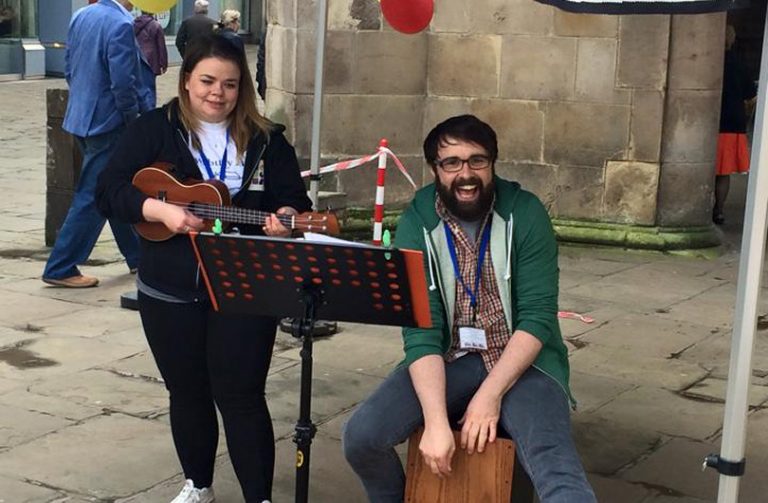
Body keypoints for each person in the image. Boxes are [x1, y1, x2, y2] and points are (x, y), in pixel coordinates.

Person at [96, 34, 312, 503]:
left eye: (230, 84)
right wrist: (160, 211)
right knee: (186, 391)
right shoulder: (153, 129)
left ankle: (259, 496)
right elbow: (108, 189)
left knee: (242, 395)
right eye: (208, 81)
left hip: (245, 285)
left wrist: (286, 222)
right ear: (186, 81)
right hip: (170, 287)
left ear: (243, 89)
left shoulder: (268, 140)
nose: (218, 93)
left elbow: (295, 201)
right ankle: (198, 484)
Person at [342, 115, 596, 503]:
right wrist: (436, 422)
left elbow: (537, 318)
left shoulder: (525, 214)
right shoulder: (417, 222)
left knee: (555, 465)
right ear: (434, 169)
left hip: (523, 359)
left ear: (492, 163)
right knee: (362, 438)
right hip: (451, 355)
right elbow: (422, 330)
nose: (466, 174)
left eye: (477, 161)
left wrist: (488, 397)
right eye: (452, 163)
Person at [42, 0, 152, 288]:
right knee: (93, 194)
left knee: (113, 187)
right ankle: (61, 266)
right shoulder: (121, 23)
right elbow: (123, 82)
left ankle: (139, 256)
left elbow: (69, 67)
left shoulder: (81, 15)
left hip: (81, 117)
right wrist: (132, 119)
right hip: (109, 122)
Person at [713, 24, 757, 225]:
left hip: (711, 121)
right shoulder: (739, 64)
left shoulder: (709, 63)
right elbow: (750, 95)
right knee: (724, 171)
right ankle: (719, 210)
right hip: (732, 122)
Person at [134, 10, 168, 107]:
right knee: (149, 87)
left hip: (137, 57)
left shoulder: (134, 23)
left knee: (138, 84)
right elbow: (161, 46)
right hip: (151, 60)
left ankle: (138, 105)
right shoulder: (156, 25)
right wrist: (163, 64)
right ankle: (149, 109)